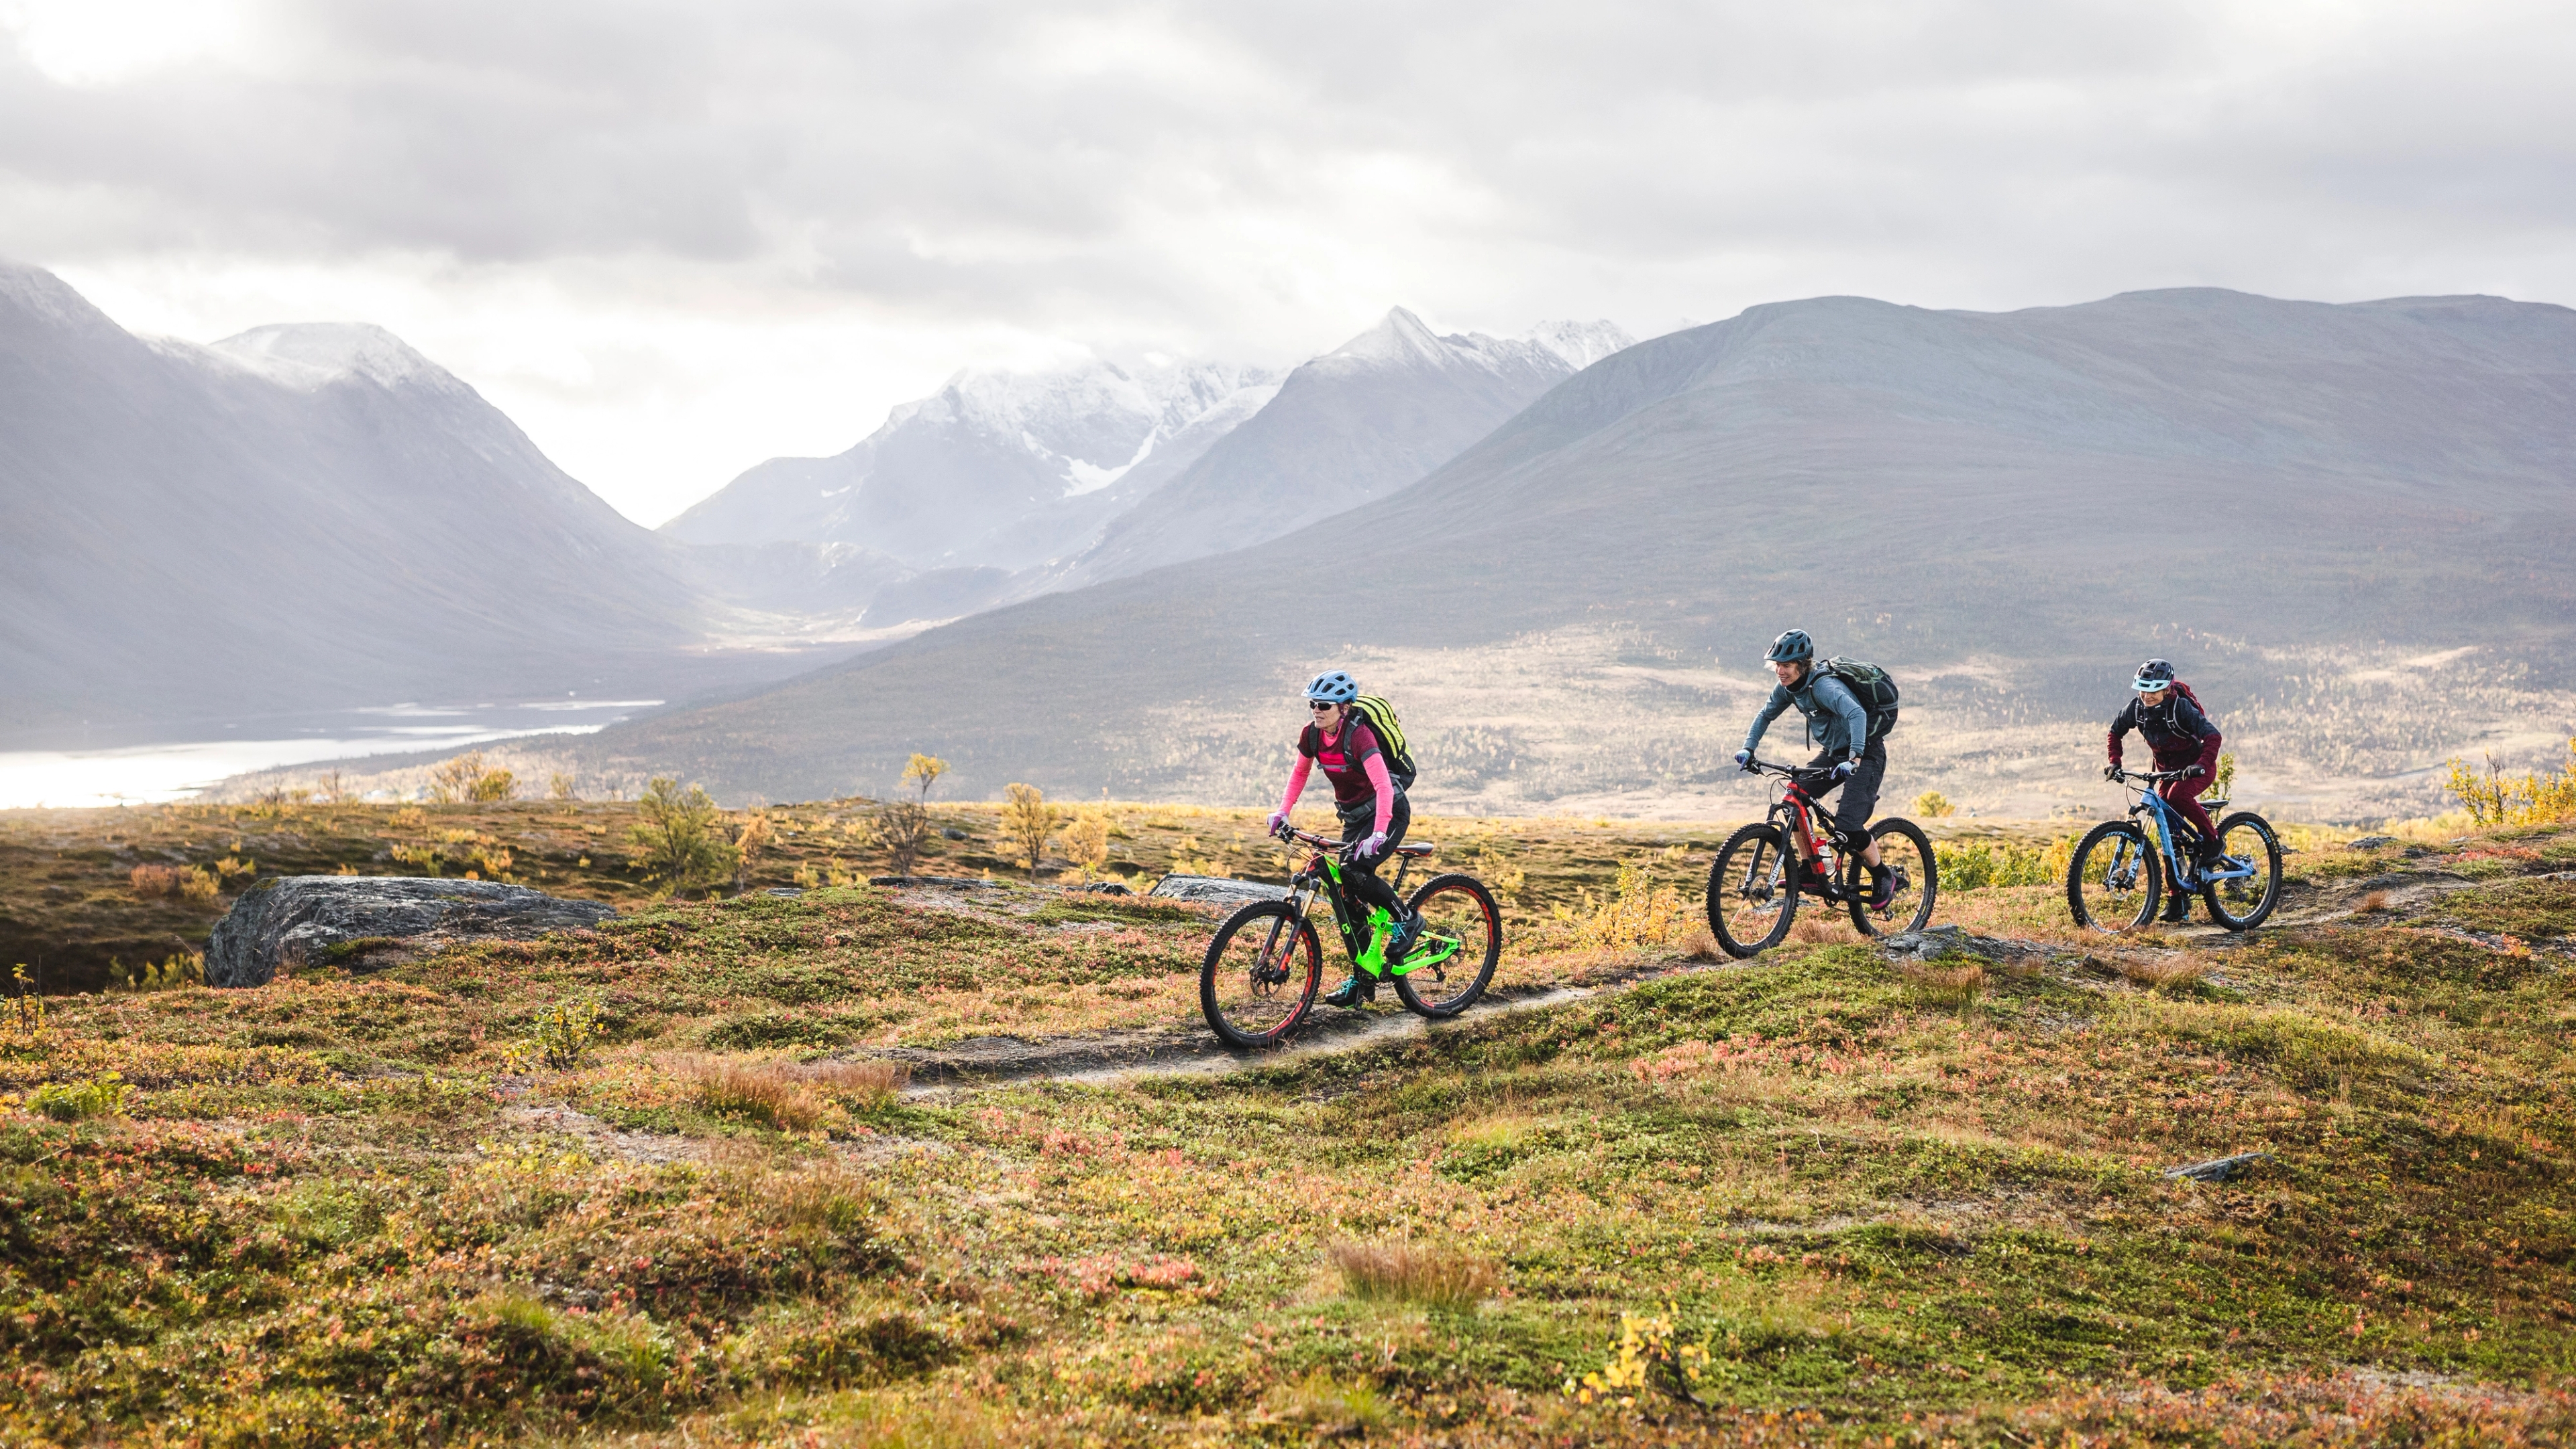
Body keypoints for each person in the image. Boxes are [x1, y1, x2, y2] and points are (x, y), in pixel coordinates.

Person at [1269, 670, 1421, 1006]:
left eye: (1324, 704)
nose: (1316, 710)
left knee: (1355, 872)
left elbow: (1383, 786)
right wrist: (1282, 812)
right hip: (1353, 817)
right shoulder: (1312, 736)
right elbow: (1300, 773)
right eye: (1312, 704)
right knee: (1346, 894)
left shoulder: (1360, 737)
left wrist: (1380, 832)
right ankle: (1363, 977)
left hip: (1389, 811)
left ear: (1345, 707)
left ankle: (1408, 919)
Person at [1731, 629, 1894, 907]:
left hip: (1865, 753)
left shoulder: (1824, 687)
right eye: (1777, 666)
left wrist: (1854, 758)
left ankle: (1883, 876)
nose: (1780, 671)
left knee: (1848, 826)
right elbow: (1765, 715)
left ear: (1802, 664)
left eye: (1787, 665)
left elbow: (1857, 714)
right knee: (1794, 800)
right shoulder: (1787, 688)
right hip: (1833, 754)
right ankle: (1809, 868)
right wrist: (1749, 748)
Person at [2106, 657, 2224, 922]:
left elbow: (2213, 736)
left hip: (2196, 769)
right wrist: (2115, 761)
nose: (2146, 696)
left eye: (2153, 690)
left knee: (2177, 797)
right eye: (2142, 689)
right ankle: (2177, 900)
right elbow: (2115, 731)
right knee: (2168, 834)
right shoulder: (2137, 709)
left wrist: (2202, 765)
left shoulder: (2180, 708)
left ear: (2167, 689)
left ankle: (2214, 842)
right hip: (2166, 771)